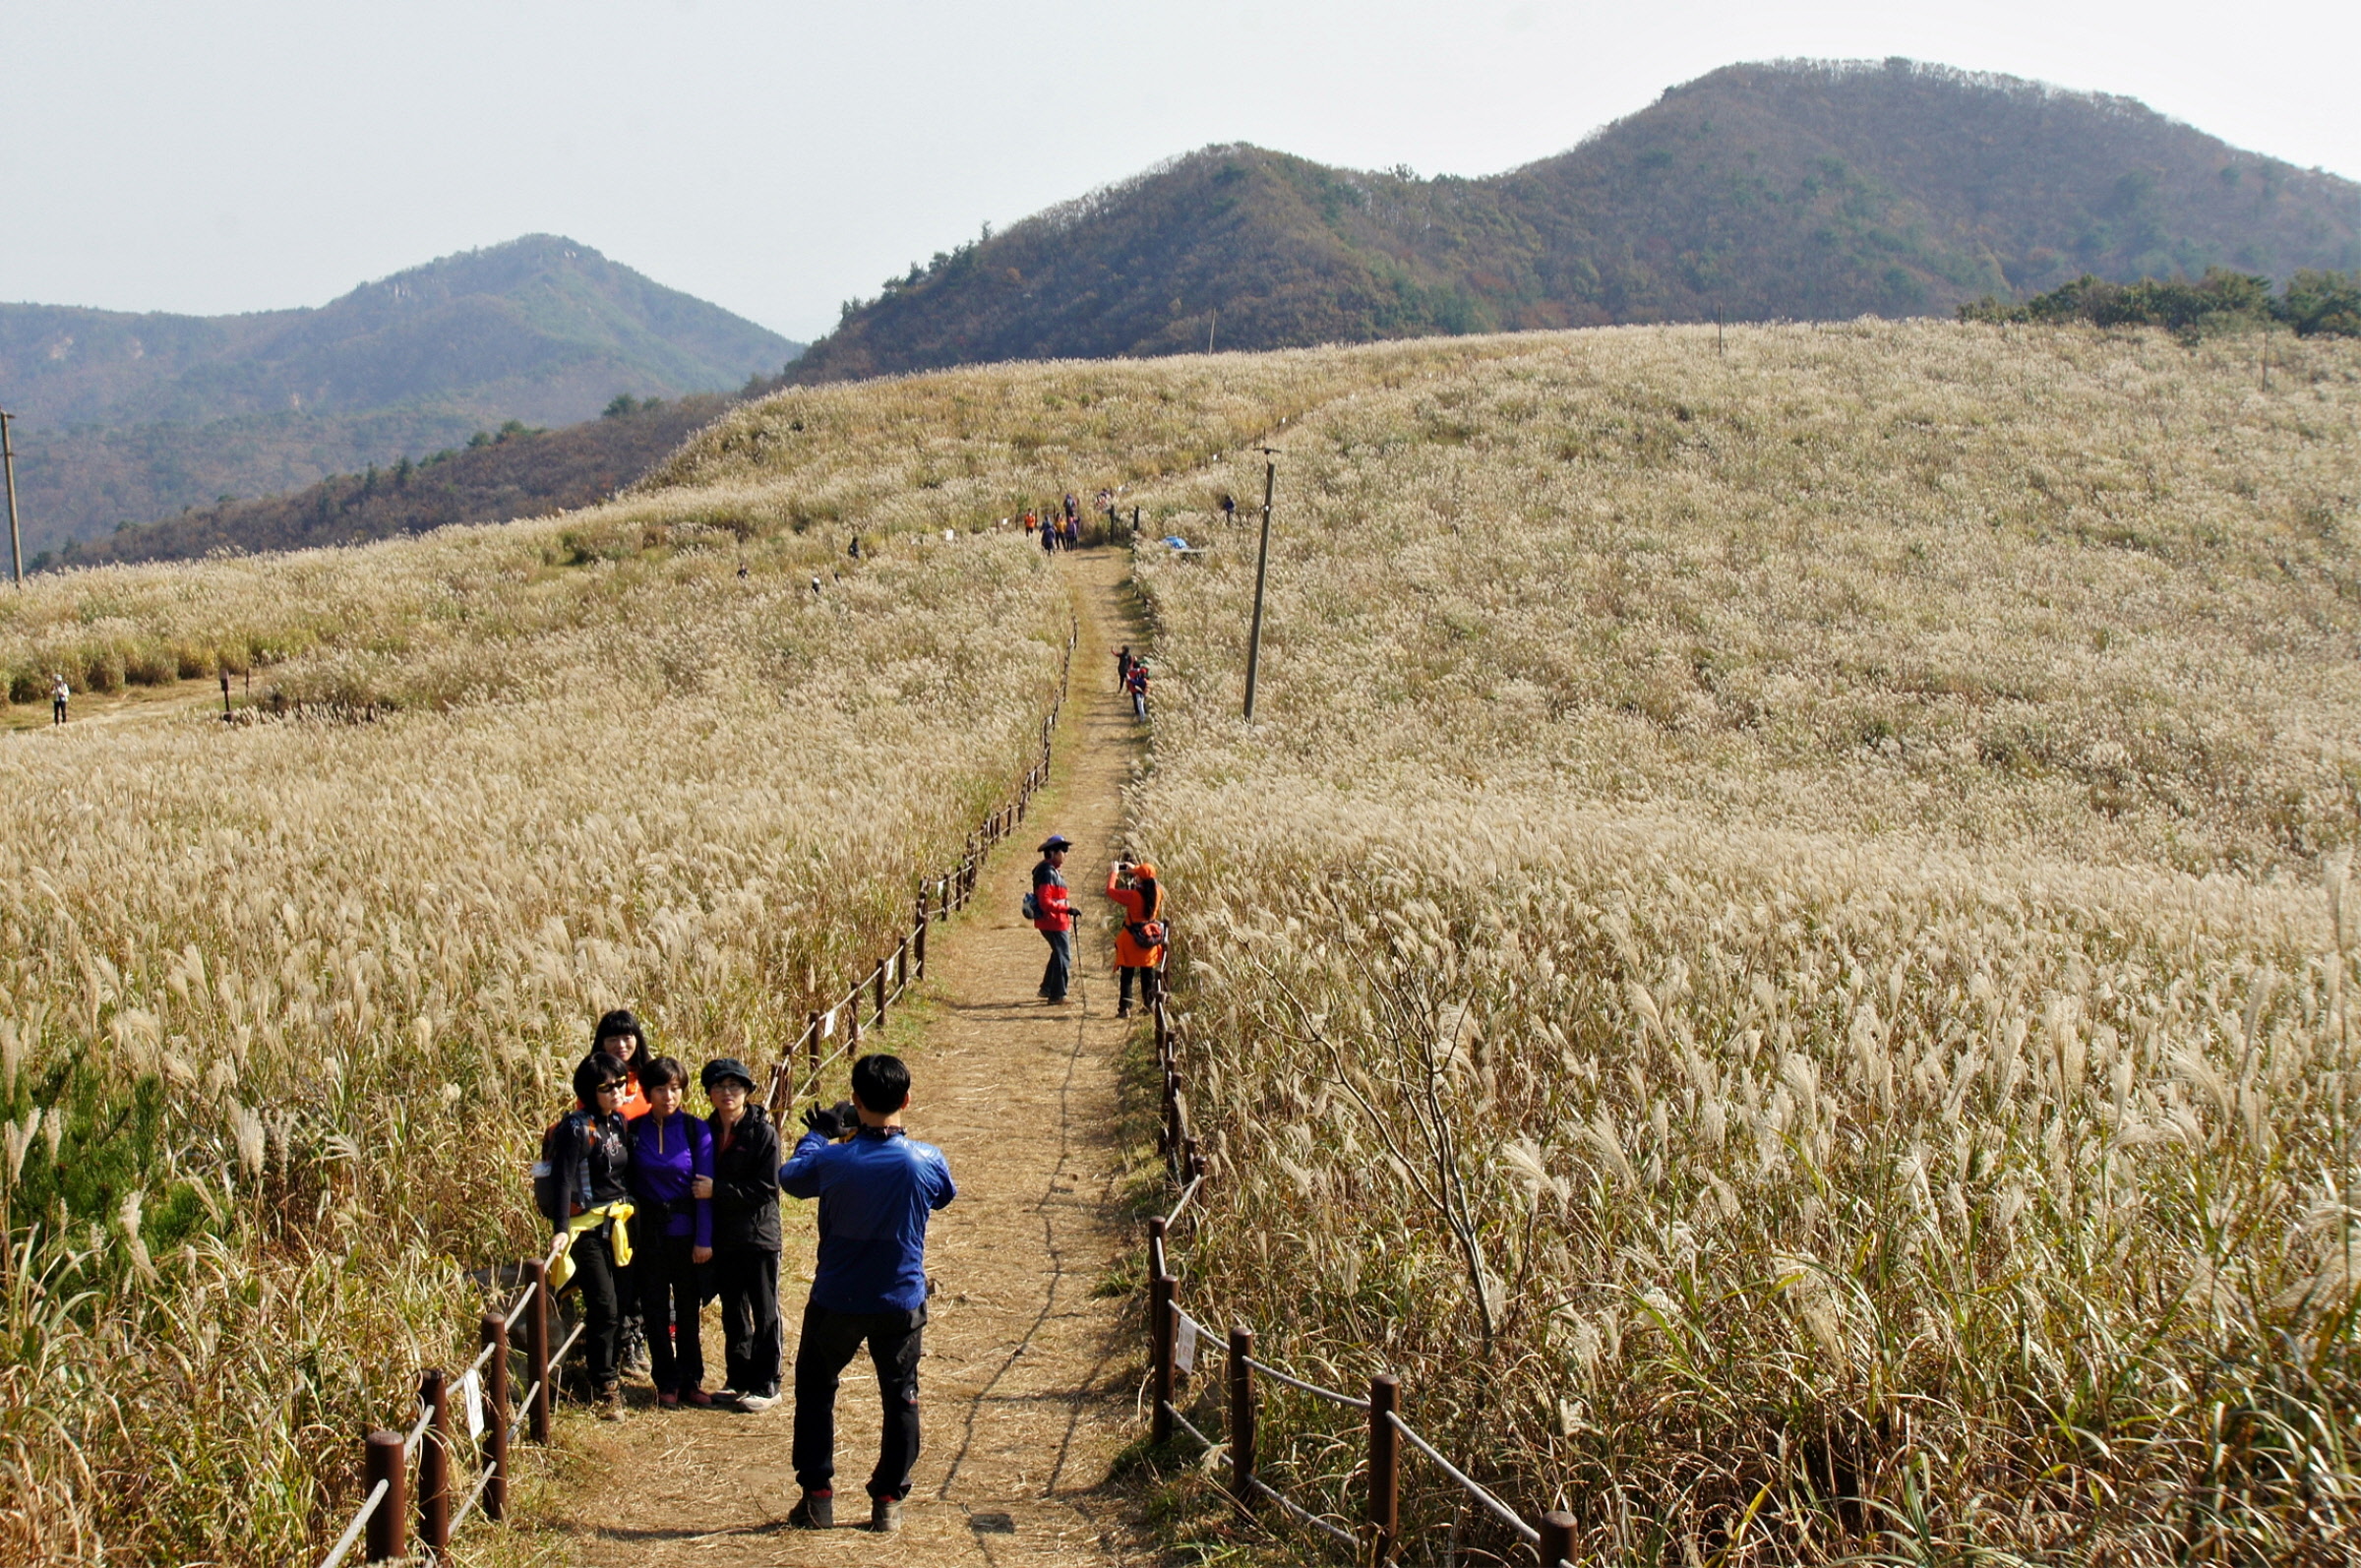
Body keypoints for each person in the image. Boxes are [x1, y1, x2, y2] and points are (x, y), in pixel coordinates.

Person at [779, 1054, 956, 1534]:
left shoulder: (833, 1159)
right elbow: (944, 1194)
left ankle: (817, 1496)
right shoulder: (925, 1160)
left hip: (836, 1296)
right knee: (901, 1395)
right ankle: (888, 1499)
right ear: (907, 1100)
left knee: (816, 1391)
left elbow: (791, 1177)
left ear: (855, 1101)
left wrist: (821, 1132)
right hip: (899, 1297)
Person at [549, 1054, 636, 1420]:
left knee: (622, 1305)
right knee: (604, 1307)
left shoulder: (617, 1121)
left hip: (619, 1223)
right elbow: (562, 1180)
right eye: (607, 1087)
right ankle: (605, 1387)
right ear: (590, 1091)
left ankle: (607, 1372)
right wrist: (560, 1231)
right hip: (586, 1229)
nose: (617, 1091)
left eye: (620, 1083)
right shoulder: (576, 1127)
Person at [696, 1057, 783, 1412]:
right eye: (719, 1087)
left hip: (759, 1234)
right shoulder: (706, 1130)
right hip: (724, 1236)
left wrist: (718, 1190)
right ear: (710, 1094)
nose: (727, 1093)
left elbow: (767, 1188)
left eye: (735, 1086)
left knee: (764, 1310)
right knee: (733, 1309)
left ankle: (767, 1383)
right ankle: (738, 1377)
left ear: (747, 1091)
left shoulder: (762, 1132)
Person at [628, 1057, 713, 1408]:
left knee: (689, 1311)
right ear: (648, 1092)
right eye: (661, 1088)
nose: (669, 1096)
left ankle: (692, 1380)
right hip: (648, 1234)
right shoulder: (632, 1131)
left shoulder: (696, 1130)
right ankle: (666, 1380)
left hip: (686, 1231)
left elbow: (705, 1188)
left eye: (676, 1088)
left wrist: (703, 1239)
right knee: (655, 1309)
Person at [1106, 860, 1166, 1018]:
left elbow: (1111, 891)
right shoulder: (1158, 892)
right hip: (1149, 938)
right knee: (1148, 974)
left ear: (1139, 879)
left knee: (1127, 975)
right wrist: (1136, 871)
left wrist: (1115, 873)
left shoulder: (1133, 896)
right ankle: (1149, 1004)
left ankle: (1125, 1008)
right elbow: (1149, 882)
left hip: (1131, 939)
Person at [1030, 834, 1075, 1004]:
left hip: (1055, 919)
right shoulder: (1048, 873)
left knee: (1058, 954)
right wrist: (1067, 909)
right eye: (1063, 850)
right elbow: (1045, 901)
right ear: (1052, 853)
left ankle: (1048, 988)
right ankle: (1057, 995)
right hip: (1053, 920)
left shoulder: (1049, 870)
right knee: (1063, 956)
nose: (1066, 854)